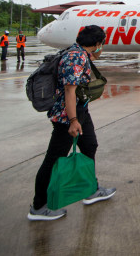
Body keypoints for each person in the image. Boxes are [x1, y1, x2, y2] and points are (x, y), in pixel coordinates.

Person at [28, 25, 116, 221]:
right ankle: (38, 207)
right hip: (67, 117)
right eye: (102, 43)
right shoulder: (76, 57)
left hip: (80, 111)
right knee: (53, 159)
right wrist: (73, 121)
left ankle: (90, 190)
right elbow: (69, 90)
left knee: (90, 146)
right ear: (97, 43)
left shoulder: (78, 53)